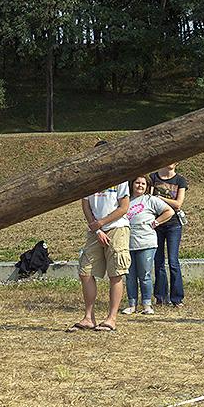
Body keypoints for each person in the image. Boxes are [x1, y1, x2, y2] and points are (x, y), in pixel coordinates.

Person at [66, 141, 131, 332]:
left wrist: (102, 224)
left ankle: (111, 319)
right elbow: (86, 205)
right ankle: (88, 318)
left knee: (115, 273)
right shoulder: (89, 178)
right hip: (95, 231)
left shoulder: (120, 177)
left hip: (117, 229)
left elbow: (124, 207)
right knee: (85, 271)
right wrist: (97, 230)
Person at [122, 175, 174, 315]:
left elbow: (169, 211)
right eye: (137, 183)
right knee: (130, 276)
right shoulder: (124, 200)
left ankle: (146, 305)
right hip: (127, 243)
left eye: (143, 184)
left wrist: (156, 223)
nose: (140, 186)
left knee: (145, 275)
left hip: (146, 243)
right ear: (131, 184)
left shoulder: (151, 200)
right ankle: (132, 305)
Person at [150, 162, 188, 307]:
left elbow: (178, 204)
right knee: (158, 261)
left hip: (174, 225)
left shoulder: (180, 180)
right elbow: (149, 197)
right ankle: (161, 297)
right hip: (157, 223)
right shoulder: (153, 177)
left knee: (173, 261)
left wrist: (160, 199)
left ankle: (177, 298)